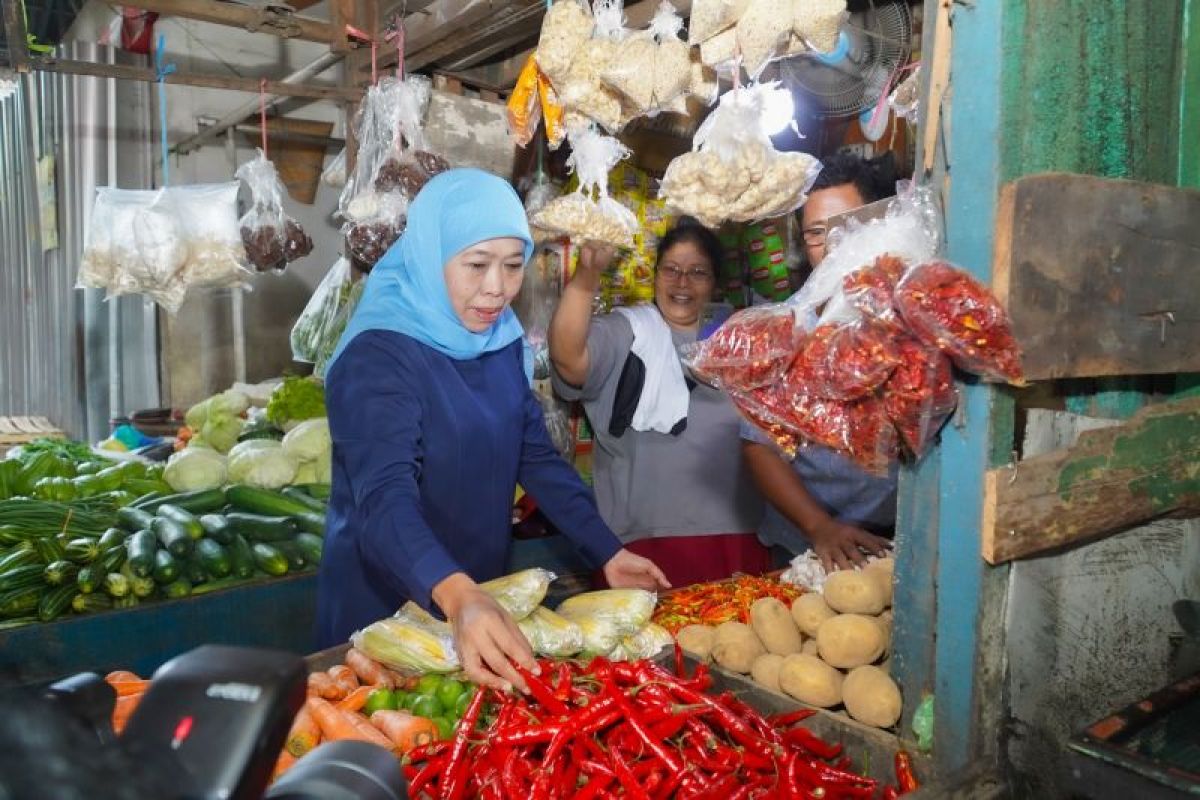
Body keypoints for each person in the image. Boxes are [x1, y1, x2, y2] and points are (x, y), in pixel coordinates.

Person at [317, 168, 669, 693]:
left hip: (481, 596)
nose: (496, 289)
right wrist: (457, 594)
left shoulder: (498, 340)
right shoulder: (378, 356)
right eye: (477, 265)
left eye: (512, 266)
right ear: (432, 255)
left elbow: (536, 457)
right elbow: (382, 501)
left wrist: (606, 551)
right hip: (388, 609)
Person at [548, 221, 765, 588]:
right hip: (641, 544)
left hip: (737, 536)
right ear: (655, 274)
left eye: (698, 273)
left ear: (714, 283)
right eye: (671, 270)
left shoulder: (740, 340)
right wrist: (587, 276)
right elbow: (569, 358)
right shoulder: (627, 332)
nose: (682, 283)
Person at [742, 152, 898, 571]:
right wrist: (819, 527)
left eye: (845, 228)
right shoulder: (785, 332)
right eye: (815, 233)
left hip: (899, 540)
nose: (830, 247)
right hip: (804, 546)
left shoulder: (912, 321)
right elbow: (759, 449)